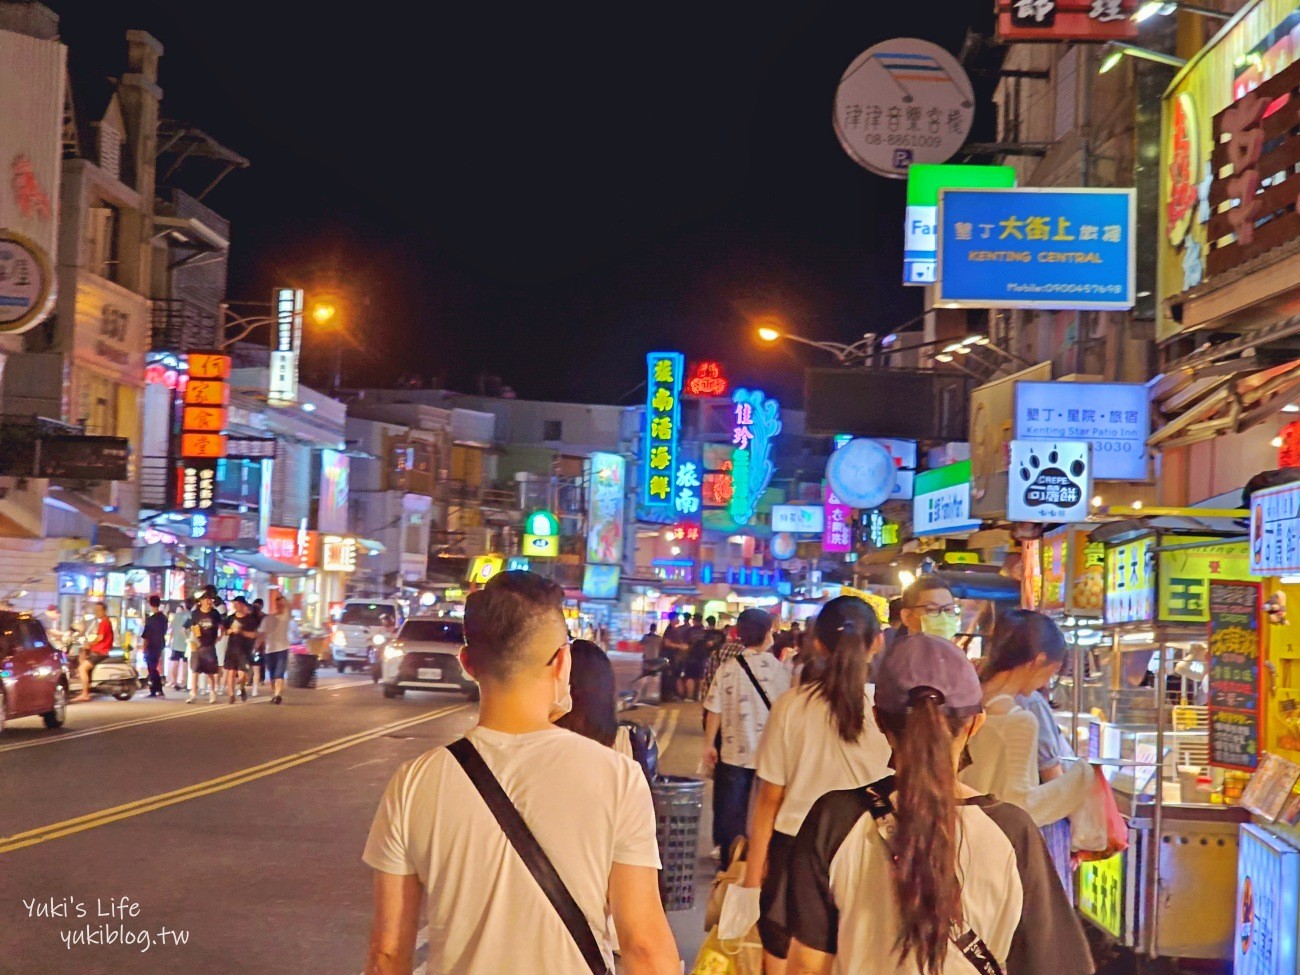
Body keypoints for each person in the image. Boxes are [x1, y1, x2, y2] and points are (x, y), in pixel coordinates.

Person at [362, 571, 680, 975]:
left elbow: (387, 953)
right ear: (562, 662)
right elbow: (645, 946)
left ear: (467, 664)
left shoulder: (414, 782)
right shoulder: (617, 776)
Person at [783, 633, 1093, 975]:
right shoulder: (1011, 832)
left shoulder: (834, 820)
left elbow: (806, 968)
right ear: (976, 723)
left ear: (880, 720)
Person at [744, 596, 893, 973]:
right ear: (877, 643)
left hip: (793, 849)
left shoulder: (791, 707)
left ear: (817, 644)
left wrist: (752, 874)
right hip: (867, 851)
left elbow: (768, 800)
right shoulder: (886, 713)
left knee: (781, 955)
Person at [962, 609, 1090, 898]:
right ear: (1039, 661)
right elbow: (1021, 805)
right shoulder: (1019, 718)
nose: (1047, 681)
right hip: (1003, 848)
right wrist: (1083, 778)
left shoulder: (970, 697)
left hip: (964, 837)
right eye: (1052, 671)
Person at [703, 608, 789, 868]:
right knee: (765, 808)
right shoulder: (779, 670)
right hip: (769, 753)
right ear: (767, 633)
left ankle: (730, 861)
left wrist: (708, 744)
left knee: (733, 810)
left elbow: (714, 709)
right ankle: (761, 859)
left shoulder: (728, 668)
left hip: (733, 750)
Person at [898, 576, 963, 642]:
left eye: (947, 609)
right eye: (932, 609)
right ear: (906, 616)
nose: (943, 618)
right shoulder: (895, 651)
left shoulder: (956, 651)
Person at [187, 591, 225, 705]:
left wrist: (219, 636)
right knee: (195, 671)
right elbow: (193, 627)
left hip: (209, 646)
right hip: (198, 646)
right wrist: (194, 640)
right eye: (207, 599)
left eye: (210, 600)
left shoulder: (215, 613)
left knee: (210, 672)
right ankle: (192, 694)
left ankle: (212, 693)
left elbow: (221, 626)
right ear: (201, 601)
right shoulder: (195, 613)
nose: (209, 602)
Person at [74, 602, 115, 702]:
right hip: (99, 650)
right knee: (82, 654)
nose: (97, 612)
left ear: (104, 610)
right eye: (96, 610)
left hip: (101, 652)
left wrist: (90, 644)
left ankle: (85, 693)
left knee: (82, 668)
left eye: (99, 610)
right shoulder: (103, 622)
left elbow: (100, 638)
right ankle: (84, 683)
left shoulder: (104, 622)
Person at [224, 597, 259, 703]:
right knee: (231, 671)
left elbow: (254, 635)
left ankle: (241, 686)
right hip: (232, 648)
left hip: (245, 650)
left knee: (244, 674)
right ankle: (231, 695)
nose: (236, 605)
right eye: (234, 603)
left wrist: (241, 632)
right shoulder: (230, 618)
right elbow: (224, 631)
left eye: (238, 603)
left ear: (243, 605)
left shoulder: (250, 619)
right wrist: (230, 631)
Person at [261, 588, 292, 705]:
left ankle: (278, 695)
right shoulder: (268, 618)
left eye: (281, 604)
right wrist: (258, 645)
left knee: (280, 673)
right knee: (273, 674)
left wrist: (283, 598)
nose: (280, 606)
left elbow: (289, 608)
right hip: (270, 650)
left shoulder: (285, 616)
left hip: (282, 649)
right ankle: (274, 694)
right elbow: (261, 634)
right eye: (277, 604)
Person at [681, 615, 722, 701]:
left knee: (690, 677)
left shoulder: (689, 631)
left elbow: (685, 645)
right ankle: (699, 696)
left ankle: (689, 697)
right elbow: (711, 644)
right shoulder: (707, 632)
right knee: (701, 677)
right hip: (704, 657)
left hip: (691, 657)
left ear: (694, 621)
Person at [141, 595, 169, 698]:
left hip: (151, 646)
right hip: (160, 645)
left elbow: (146, 635)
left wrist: (144, 647)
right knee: (153, 667)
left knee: (151, 668)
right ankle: (155, 690)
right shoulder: (164, 618)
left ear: (150, 604)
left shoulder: (150, 619)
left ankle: (157, 689)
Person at [167, 600, 191, 690]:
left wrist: (169, 641)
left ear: (184, 606)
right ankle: (184, 682)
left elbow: (171, 630)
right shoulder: (192, 615)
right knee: (186, 664)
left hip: (176, 643)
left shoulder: (177, 616)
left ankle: (174, 682)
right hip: (187, 643)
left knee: (175, 663)